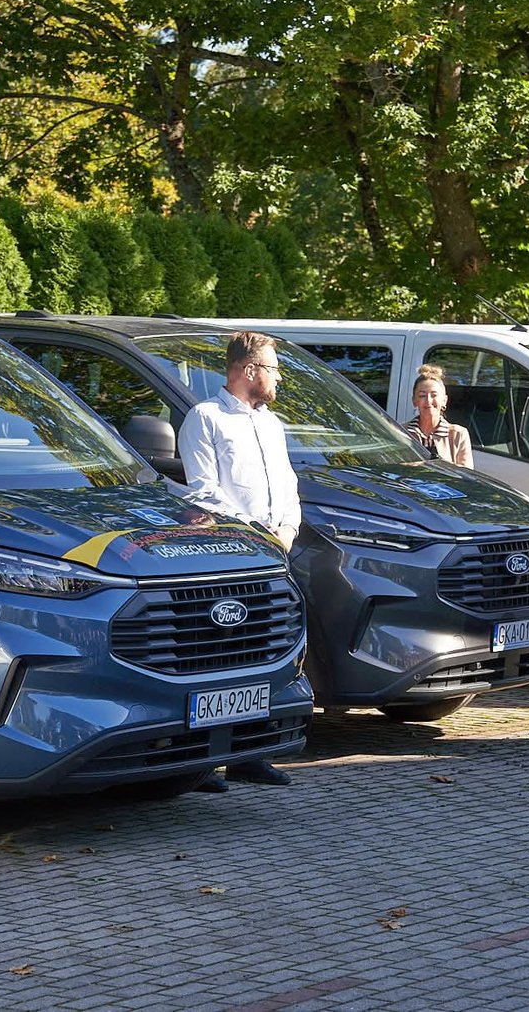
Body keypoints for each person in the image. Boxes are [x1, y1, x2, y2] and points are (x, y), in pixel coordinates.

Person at [177, 330, 300, 790]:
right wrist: (255, 533)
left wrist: (287, 529)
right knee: (212, 659)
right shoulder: (205, 418)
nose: (279, 378)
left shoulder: (272, 425)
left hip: (274, 556)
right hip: (228, 557)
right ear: (250, 370)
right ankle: (196, 763)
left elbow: (289, 487)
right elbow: (203, 492)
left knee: (262, 655)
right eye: (274, 369)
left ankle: (250, 754)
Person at [404, 364, 474, 468]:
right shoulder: (401, 432)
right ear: (414, 401)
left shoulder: (458, 434)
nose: (428, 401)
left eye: (434, 395)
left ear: (444, 400)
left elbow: (466, 473)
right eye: (422, 395)